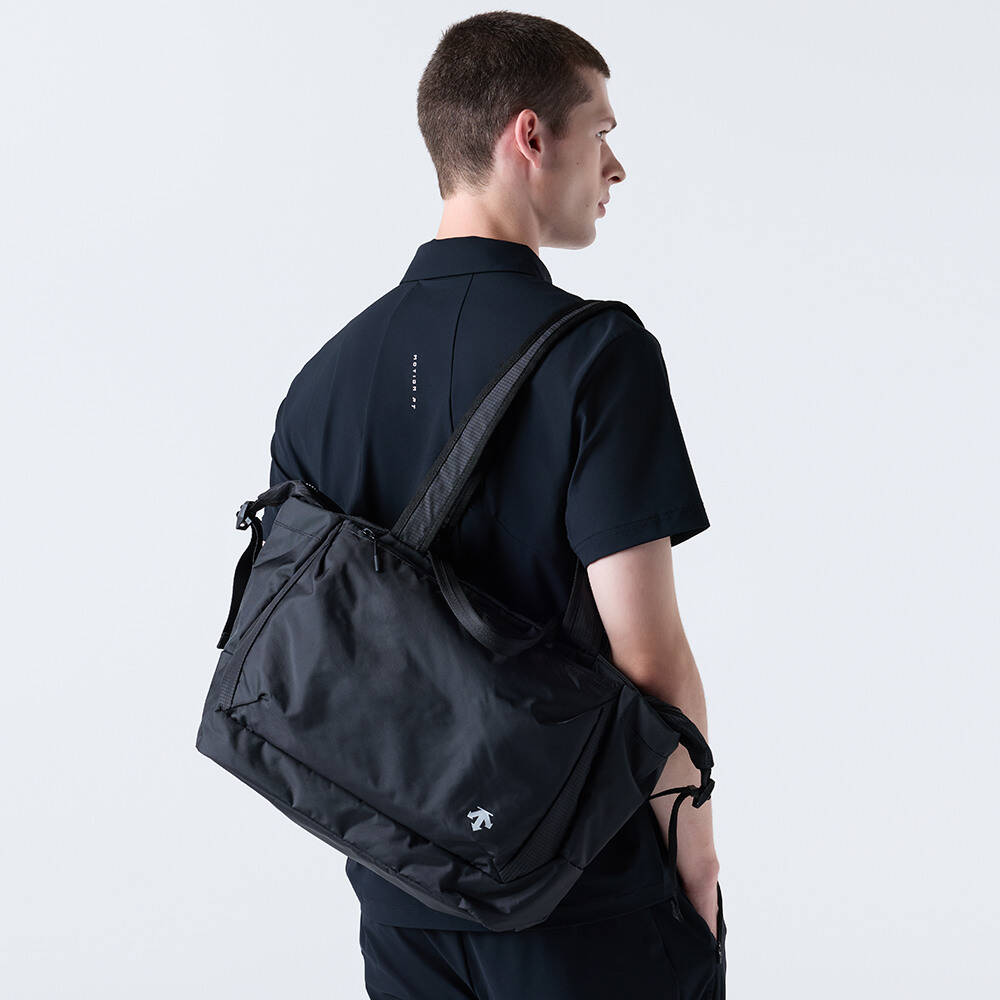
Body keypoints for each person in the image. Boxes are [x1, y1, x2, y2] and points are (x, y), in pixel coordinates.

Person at [260, 11, 726, 999]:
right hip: (584, 895)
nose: (615, 166)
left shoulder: (320, 384)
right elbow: (648, 661)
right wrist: (696, 854)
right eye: (602, 131)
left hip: (402, 903)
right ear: (531, 136)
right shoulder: (599, 357)